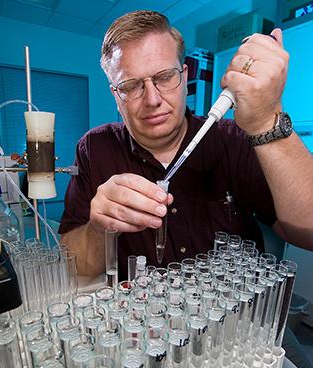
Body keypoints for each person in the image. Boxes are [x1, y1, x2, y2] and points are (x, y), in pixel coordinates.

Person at [59, 10, 313, 281]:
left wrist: (267, 120)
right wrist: (99, 229)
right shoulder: (96, 148)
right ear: (115, 95)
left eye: (165, 77)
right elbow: (75, 271)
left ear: (184, 77)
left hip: (232, 318)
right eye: (131, 86)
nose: (153, 99)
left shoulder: (233, 140)